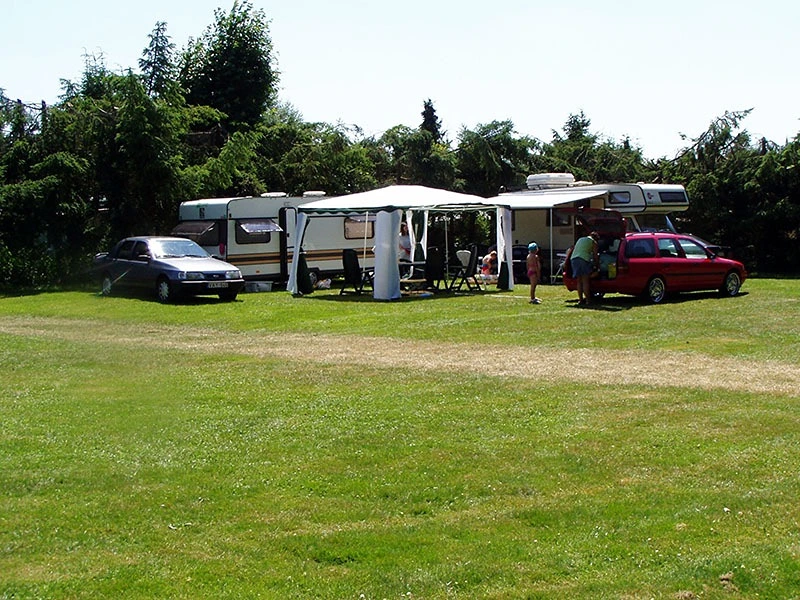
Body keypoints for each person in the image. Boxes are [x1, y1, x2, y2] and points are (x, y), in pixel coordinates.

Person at [570, 231, 599, 305]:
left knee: (579, 281)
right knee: (585, 281)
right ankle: (588, 301)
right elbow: (595, 255)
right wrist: (597, 265)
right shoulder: (593, 242)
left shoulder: (580, 239)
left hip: (574, 259)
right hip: (583, 260)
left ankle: (580, 299)